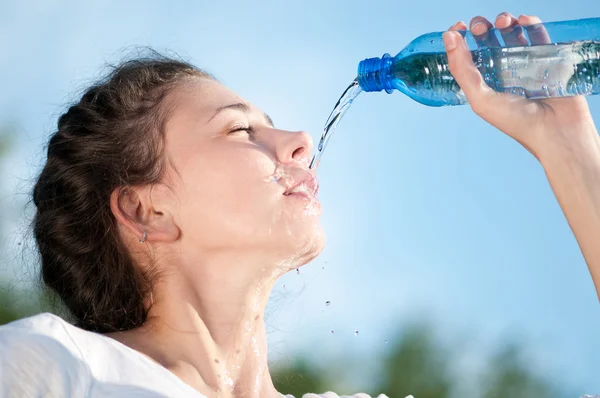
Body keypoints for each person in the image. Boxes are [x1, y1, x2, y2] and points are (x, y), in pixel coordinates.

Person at [0, 11, 598, 398]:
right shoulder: (54, 366)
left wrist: (567, 147)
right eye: (239, 131)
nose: (298, 141)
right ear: (146, 211)